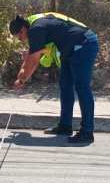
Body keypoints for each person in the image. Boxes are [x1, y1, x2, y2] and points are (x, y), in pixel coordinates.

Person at [10, 12, 99, 144]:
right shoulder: (34, 26)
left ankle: (87, 132)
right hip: (70, 49)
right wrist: (20, 76)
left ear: (23, 29)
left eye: (19, 36)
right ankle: (65, 126)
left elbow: (34, 62)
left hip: (84, 44)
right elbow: (30, 56)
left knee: (82, 87)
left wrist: (22, 80)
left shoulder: (36, 29)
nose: (20, 40)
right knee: (65, 85)